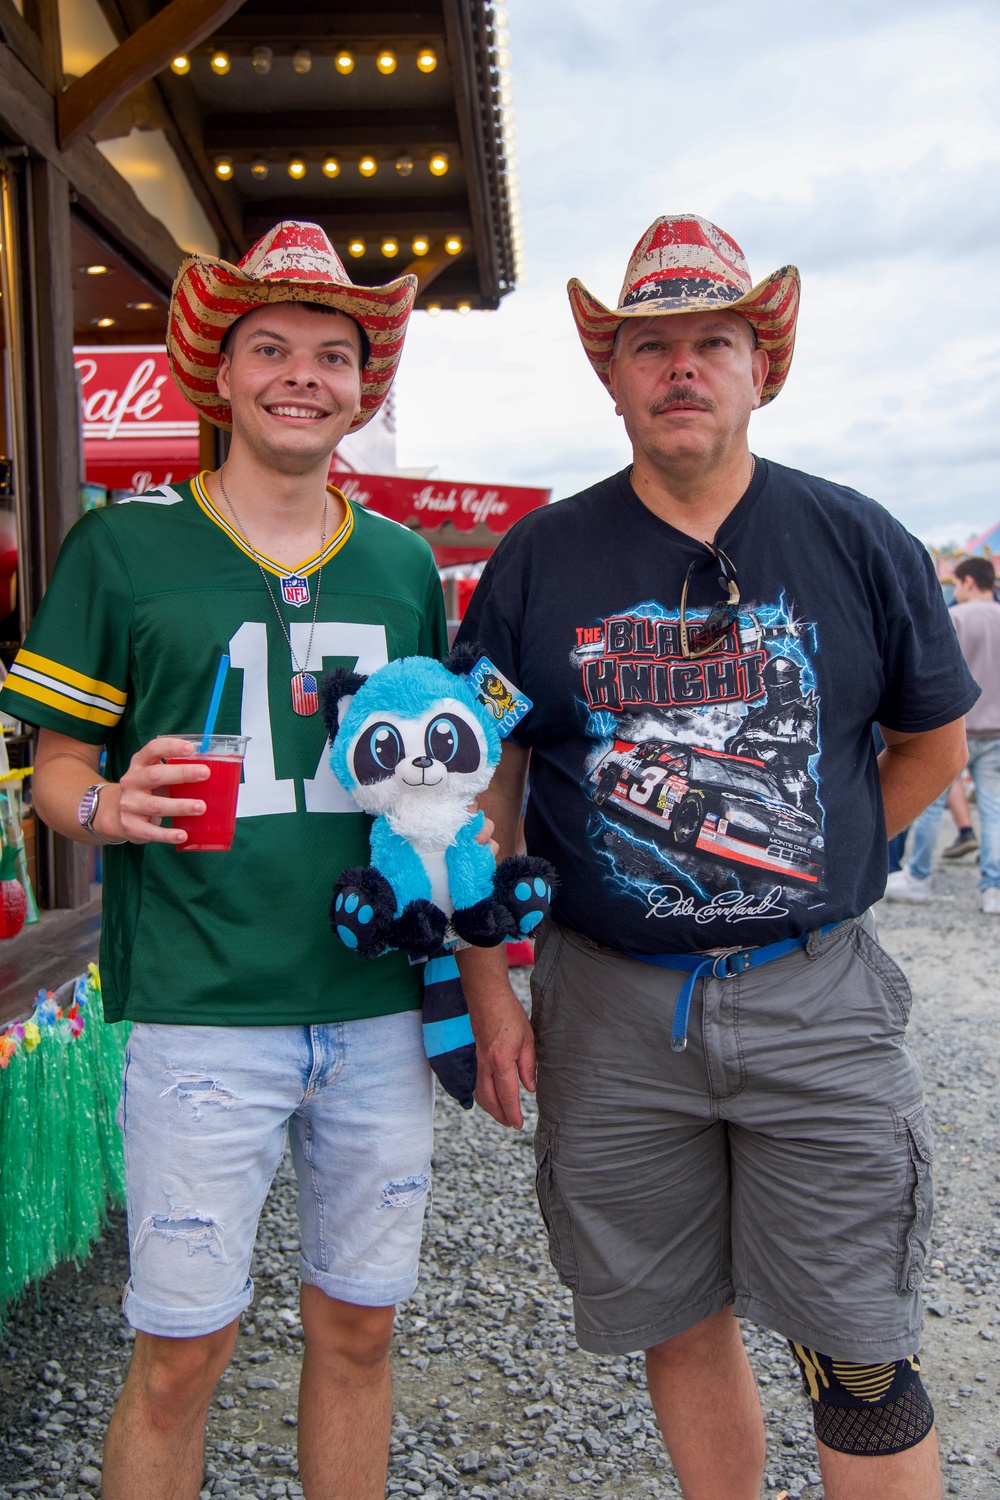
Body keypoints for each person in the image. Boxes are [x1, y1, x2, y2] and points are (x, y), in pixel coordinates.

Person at [455, 214, 979, 1500]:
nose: (680, 367)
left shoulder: (855, 538)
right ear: (614, 374)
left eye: (712, 342)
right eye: (650, 346)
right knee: (675, 1315)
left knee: (859, 1354)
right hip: (608, 1002)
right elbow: (491, 779)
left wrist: (821, 860)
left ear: (761, 367)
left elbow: (931, 749)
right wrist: (484, 981)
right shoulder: (539, 556)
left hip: (817, 994)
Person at [0, 221, 463, 1500]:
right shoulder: (123, 549)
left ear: (363, 384)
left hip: (376, 1010)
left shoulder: (404, 564)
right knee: (179, 1352)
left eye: (331, 350)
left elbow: (438, 781)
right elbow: (51, 778)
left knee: (362, 1330)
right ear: (219, 368)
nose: (301, 374)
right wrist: (103, 809)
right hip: (203, 1016)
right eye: (270, 347)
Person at [886, 556, 1000, 914]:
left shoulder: (955, 618)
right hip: (997, 728)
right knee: (994, 809)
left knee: (932, 805)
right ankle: (992, 888)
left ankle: (918, 877)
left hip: (961, 725)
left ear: (967, 582)